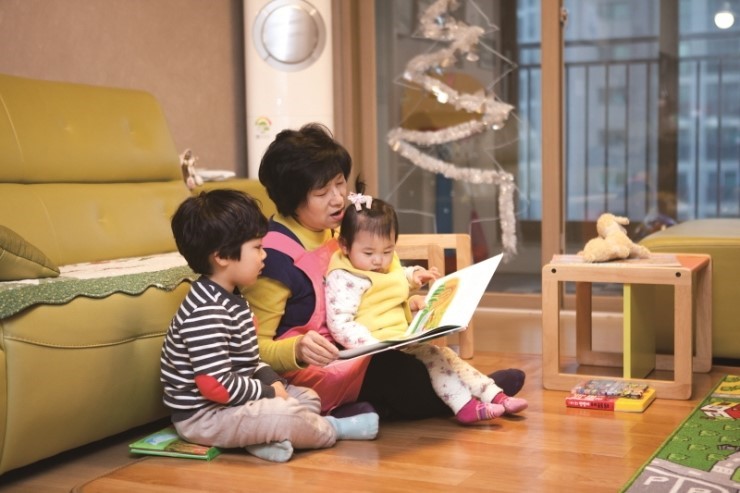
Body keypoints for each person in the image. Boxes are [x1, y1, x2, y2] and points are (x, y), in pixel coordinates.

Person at [243, 122, 525, 421]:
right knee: (401, 376)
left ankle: (472, 391)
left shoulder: (338, 231)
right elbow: (252, 349)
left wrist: (411, 301)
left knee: (425, 356)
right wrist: (297, 349)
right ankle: (473, 393)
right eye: (322, 192)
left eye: (340, 183)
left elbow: (369, 290)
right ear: (292, 198)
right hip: (314, 371)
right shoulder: (271, 258)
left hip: (360, 349)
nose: (337, 198)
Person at [160, 189, 379, 463]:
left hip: (235, 402)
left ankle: (263, 439)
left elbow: (249, 360)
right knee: (284, 414)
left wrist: (273, 382)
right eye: (256, 248)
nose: (264, 255)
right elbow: (215, 385)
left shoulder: (233, 298)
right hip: (206, 416)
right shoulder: (206, 312)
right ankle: (331, 428)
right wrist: (268, 392)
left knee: (308, 398)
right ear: (222, 256)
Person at [325, 193, 528, 424]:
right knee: (435, 358)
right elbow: (340, 323)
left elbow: (396, 276)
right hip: (377, 350)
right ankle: (465, 405)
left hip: (401, 339)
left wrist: (414, 276)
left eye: (387, 251)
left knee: (446, 354)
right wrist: (373, 344)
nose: (379, 261)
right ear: (344, 246)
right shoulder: (345, 277)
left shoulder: (380, 263)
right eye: (369, 253)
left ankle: (495, 395)